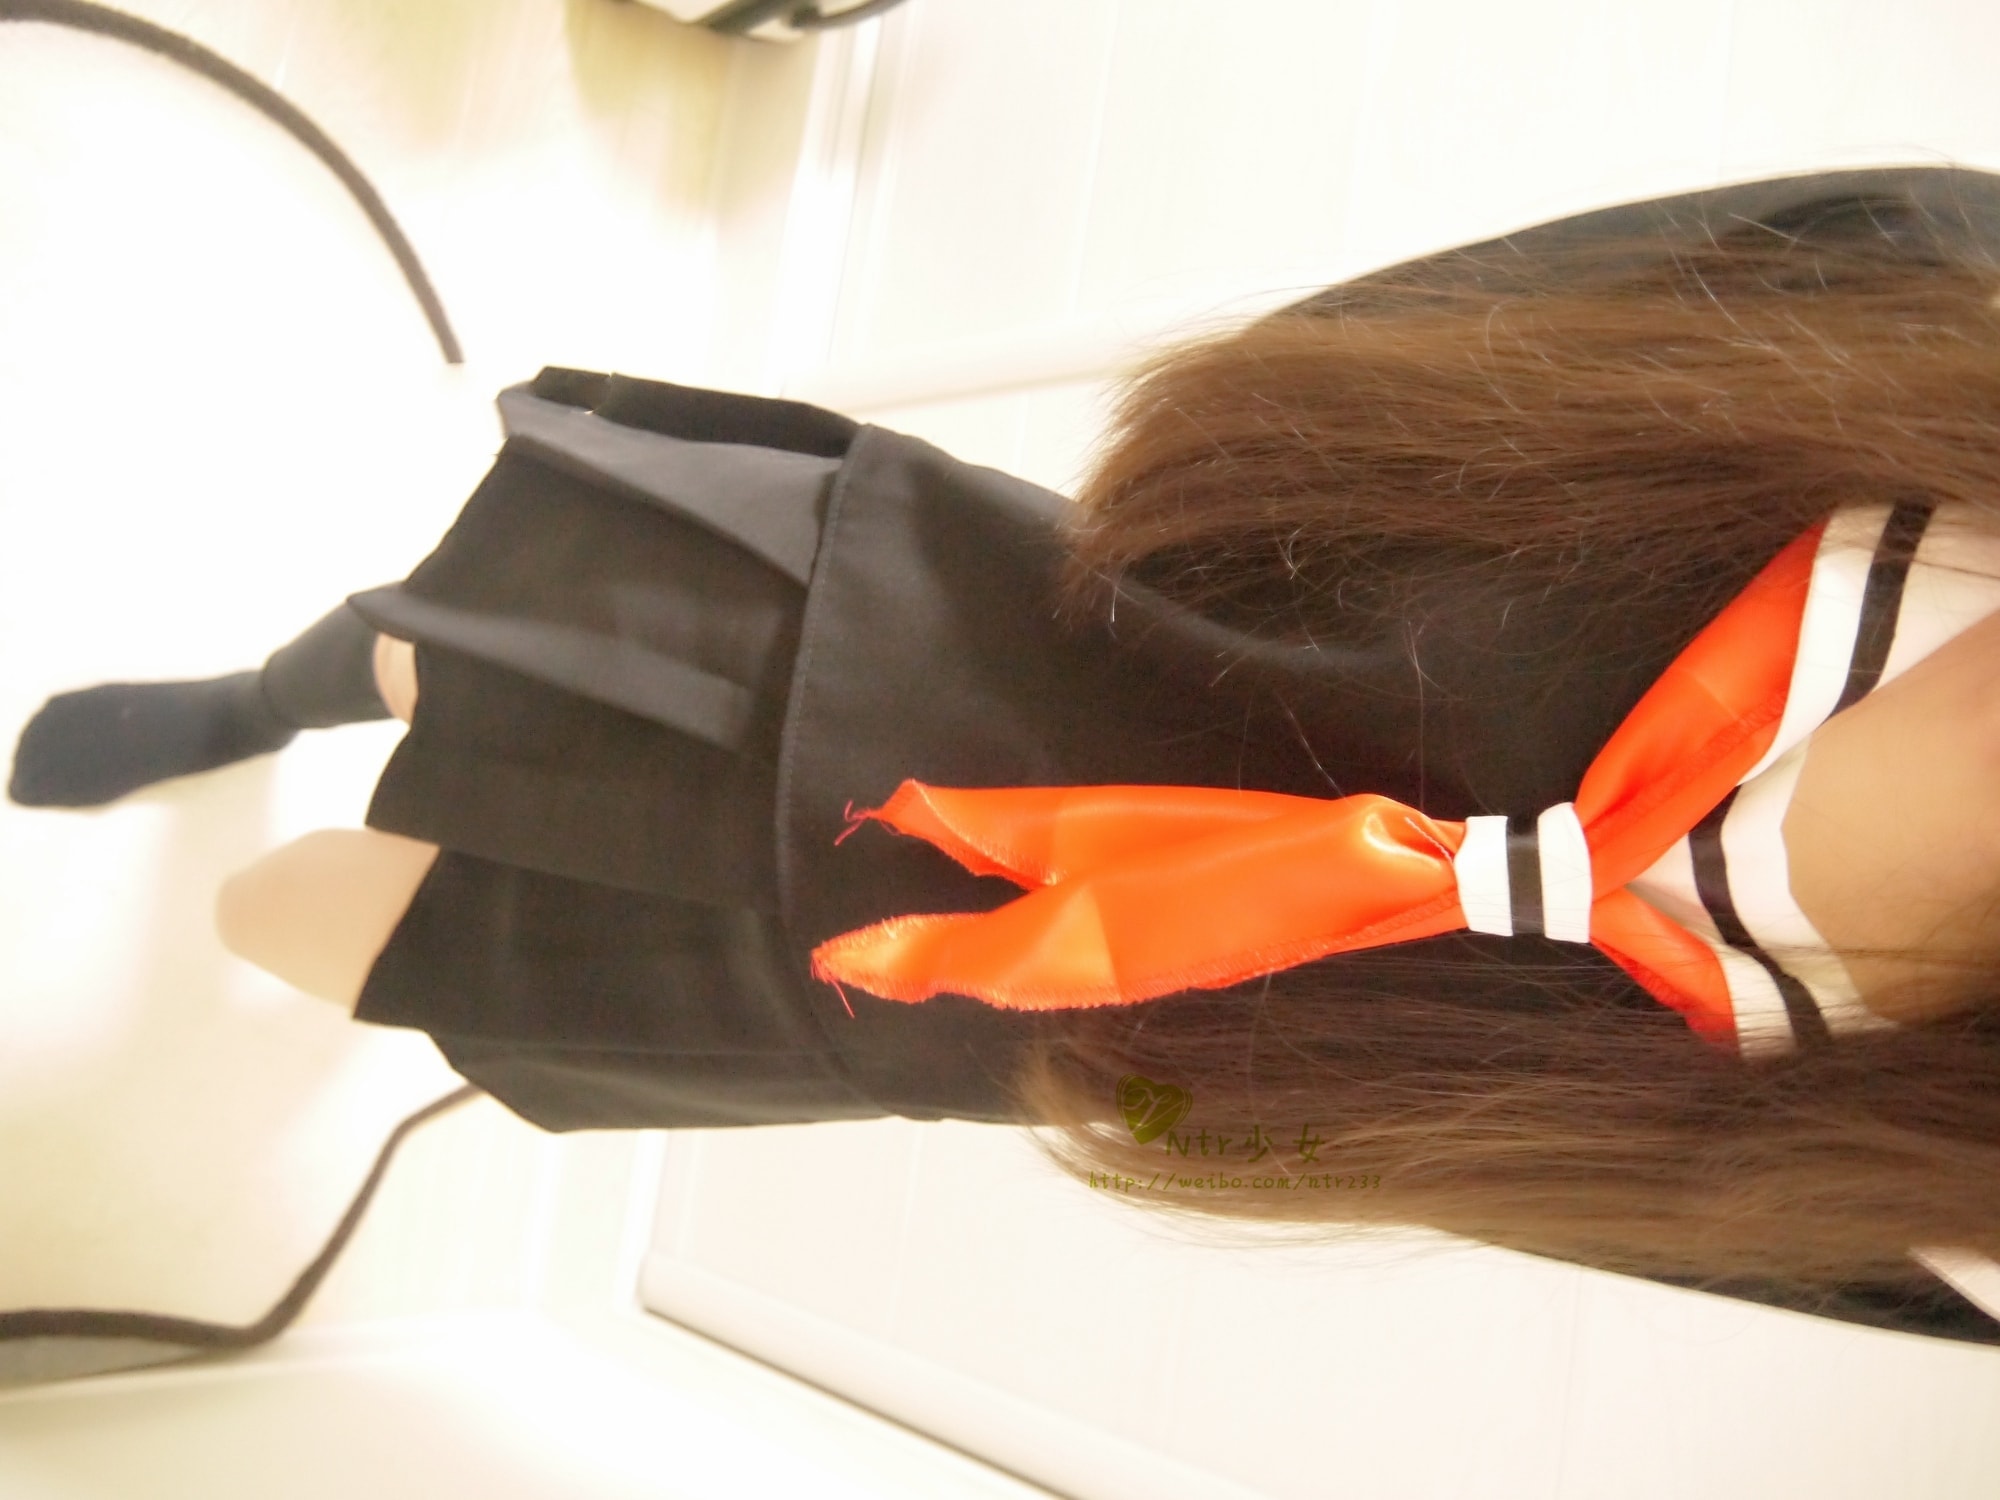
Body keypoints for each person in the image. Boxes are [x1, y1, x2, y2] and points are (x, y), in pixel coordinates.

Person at [14, 166, 2000, 1346]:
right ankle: (257, 699)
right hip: (971, 642)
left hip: (966, 991)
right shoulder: (1941, 308)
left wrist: (1155, 1116)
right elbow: (1438, 345)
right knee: (432, 648)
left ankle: (305, 740)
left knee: (299, 921)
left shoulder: (1953, 1181)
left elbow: (1593, 1198)